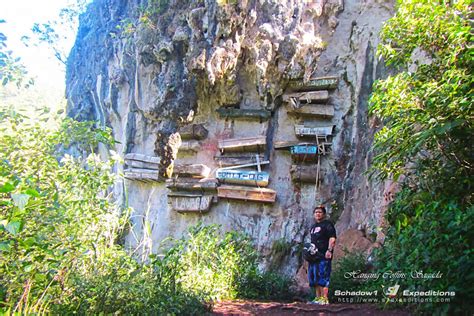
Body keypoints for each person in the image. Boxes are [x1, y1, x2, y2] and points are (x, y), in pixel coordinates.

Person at [306, 205, 336, 305]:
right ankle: (318, 298)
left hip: (324, 254)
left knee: (324, 275)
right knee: (315, 277)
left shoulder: (327, 225)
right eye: (316, 212)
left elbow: (332, 238)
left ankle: (325, 298)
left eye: (320, 212)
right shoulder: (313, 227)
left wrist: (329, 250)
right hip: (314, 256)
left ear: (324, 214)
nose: (318, 214)